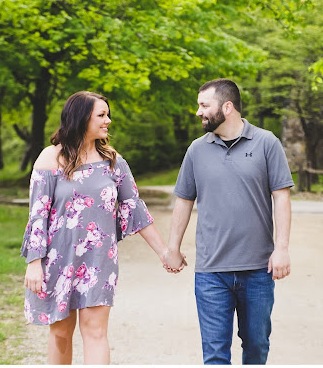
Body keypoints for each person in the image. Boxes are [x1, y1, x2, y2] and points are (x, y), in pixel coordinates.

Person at [20, 91, 175, 364]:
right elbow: (37, 215)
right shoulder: (50, 158)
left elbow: (135, 207)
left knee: (95, 331)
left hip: (98, 261)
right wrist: (34, 262)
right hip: (57, 260)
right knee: (60, 333)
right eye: (101, 115)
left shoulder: (113, 161)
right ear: (81, 119)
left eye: (107, 114)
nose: (108, 121)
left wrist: (164, 252)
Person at [163, 78, 294, 365]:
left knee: (257, 346)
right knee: (214, 354)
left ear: (227, 107)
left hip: (258, 270)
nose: (198, 112)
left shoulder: (266, 142)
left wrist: (281, 248)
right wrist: (172, 247)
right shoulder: (196, 150)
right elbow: (184, 200)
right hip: (211, 272)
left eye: (204, 105)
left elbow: (281, 197)